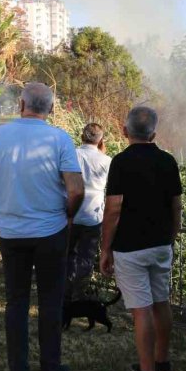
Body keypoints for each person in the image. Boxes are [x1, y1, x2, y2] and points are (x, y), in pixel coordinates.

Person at [0, 83, 85, 371]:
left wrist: (1, 209)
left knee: (16, 301)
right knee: (50, 301)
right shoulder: (59, 138)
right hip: (51, 230)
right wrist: (67, 213)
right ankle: (50, 370)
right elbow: (76, 188)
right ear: (51, 109)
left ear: (21, 103)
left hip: (11, 232)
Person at [100, 106, 182, 371]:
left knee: (141, 310)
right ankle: (162, 363)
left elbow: (113, 208)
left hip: (130, 247)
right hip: (161, 244)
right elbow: (176, 206)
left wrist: (105, 248)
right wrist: (170, 237)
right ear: (154, 134)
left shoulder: (121, 162)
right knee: (161, 302)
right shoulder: (168, 161)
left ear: (125, 131)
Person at [67, 123, 112, 300]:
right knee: (87, 255)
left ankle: (65, 290)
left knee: (68, 253)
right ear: (101, 139)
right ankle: (79, 291)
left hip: (72, 211)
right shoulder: (107, 160)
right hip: (94, 214)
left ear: (82, 136)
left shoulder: (73, 155)